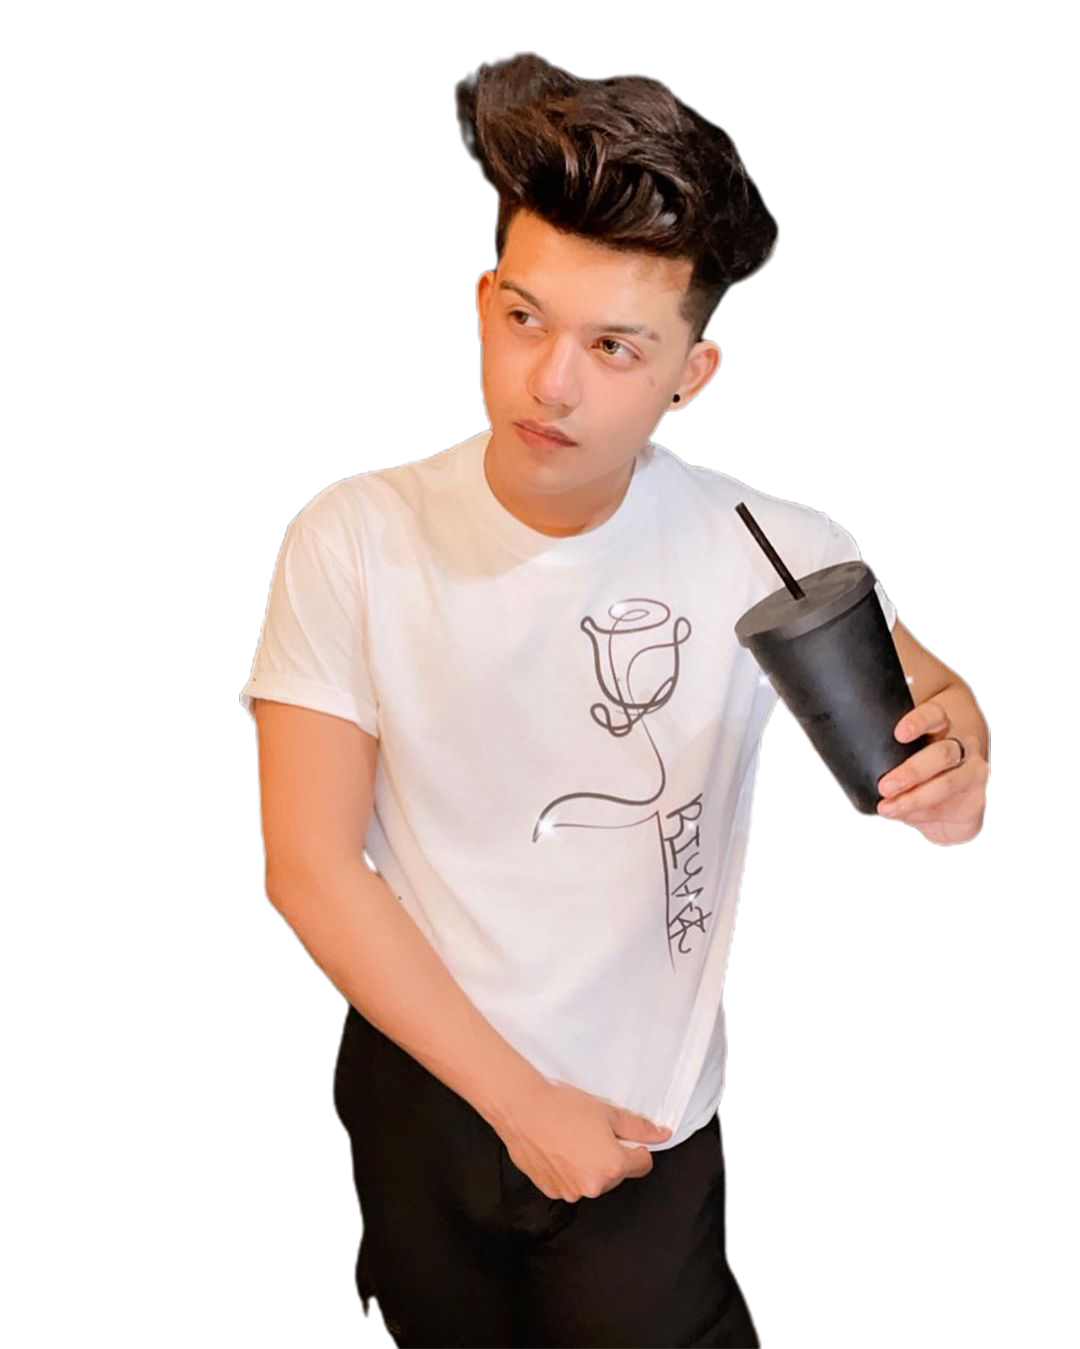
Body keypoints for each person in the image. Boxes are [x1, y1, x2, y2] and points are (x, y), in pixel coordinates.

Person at [240, 56, 990, 1349]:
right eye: (528, 320)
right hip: (423, 1088)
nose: (552, 383)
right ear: (484, 306)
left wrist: (958, 759)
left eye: (613, 347)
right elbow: (310, 864)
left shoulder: (765, 544)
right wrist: (519, 1102)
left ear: (688, 375)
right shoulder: (355, 537)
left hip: (651, 1110)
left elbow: (929, 694)